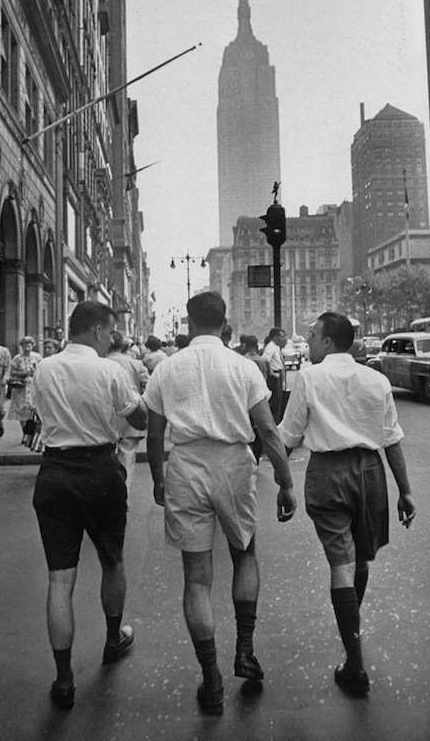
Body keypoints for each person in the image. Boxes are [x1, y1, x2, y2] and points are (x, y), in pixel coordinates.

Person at [145, 292, 296, 716]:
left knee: (196, 580)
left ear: (189, 322)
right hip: (233, 465)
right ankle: (245, 650)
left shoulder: (167, 369)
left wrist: (159, 479)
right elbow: (267, 430)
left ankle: (210, 678)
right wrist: (285, 482)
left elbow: (154, 436)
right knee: (244, 553)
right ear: (223, 321)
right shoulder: (243, 367)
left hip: (187, 465)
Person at [278, 312, 416, 697]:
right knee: (361, 560)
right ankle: (353, 637)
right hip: (371, 473)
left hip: (327, 474)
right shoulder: (377, 380)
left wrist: (283, 482)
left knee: (341, 563)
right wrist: (405, 491)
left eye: (312, 337)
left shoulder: (308, 377)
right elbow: (392, 440)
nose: (308, 342)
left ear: (328, 342)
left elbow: (288, 435)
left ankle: (355, 665)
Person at [32, 301, 148, 710]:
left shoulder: (43, 367)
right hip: (99, 470)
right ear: (97, 330)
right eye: (109, 332)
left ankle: (64, 679)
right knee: (112, 560)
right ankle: (113, 639)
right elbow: (140, 420)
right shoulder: (109, 370)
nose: (111, 339)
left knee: (60, 580)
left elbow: (37, 413)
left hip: (55, 472)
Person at [107, 330, 150, 490]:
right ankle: (122, 493)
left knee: (106, 455)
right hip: (130, 416)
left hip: (107, 416)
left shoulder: (99, 362)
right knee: (127, 456)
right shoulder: (135, 364)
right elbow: (149, 387)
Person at [8, 336, 42, 431]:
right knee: (21, 409)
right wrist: (24, 373)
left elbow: (41, 370)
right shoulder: (17, 358)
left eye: (29, 346)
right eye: (24, 346)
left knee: (32, 409)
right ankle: (24, 431)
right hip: (21, 386)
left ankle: (30, 430)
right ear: (21, 347)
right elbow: (12, 372)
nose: (27, 348)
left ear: (32, 346)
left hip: (33, 386)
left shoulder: (37, 357)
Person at [262, 327, 287, 422]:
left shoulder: (276, 347)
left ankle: (277, 421)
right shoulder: (270, 347)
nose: (282, 338)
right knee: (275, 402)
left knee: (279, 402)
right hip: (275, 376)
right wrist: (271, 373)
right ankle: (274, 422)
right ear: (275, 336)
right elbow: (265, 361)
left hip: (279, 375)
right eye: (280, 336)